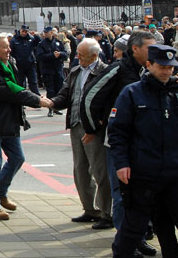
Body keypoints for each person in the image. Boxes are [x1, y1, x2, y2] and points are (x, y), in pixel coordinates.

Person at [109, 45, 178, 256]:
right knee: (132, 230)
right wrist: (121, 164)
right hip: (144, 175)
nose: (167, 71)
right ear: (149, 65)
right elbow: (118, 133)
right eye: (162, 66)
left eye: (171, 67)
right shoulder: (132, 93)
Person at [81, 30, 158, 257]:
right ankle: (126, 242)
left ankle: (139, 238)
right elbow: (90, 97)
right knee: (121, 193)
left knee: (142, 194)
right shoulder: (117, 69)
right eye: (149, 47)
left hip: (144, 144)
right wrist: (93, 128)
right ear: (135, 49)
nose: (154, 52)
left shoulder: (148, 71)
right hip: (119, 142)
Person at [0, 33, 52, 220]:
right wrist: (37, 100)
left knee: (17, 158)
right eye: (5, 47)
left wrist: (35, 98)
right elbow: (11, 90)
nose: (9, 50)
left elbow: (17, 87)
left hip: (9, 120)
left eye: (8, 46)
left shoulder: (8, 63)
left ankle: (1, 192)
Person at [49, 39, 112, 229]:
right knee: (80, 171)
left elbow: (108, 101)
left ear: (95, 55)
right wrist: (51, 102)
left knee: (100, 171)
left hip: (94, 128)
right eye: (77, 54)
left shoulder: (105, 72)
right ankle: (90, 209)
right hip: (76, 125)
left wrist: (101, 121)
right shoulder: (76, 71)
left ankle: (107, 213)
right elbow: (65, 95)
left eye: (81, 56)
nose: (78, 58)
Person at [37, 26, 66, 116]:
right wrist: (52, 55)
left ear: (52, 33)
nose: (46, 34)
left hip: (58, 69)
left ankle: (56, 107)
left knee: (58, 89)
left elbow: (65, 53)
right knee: (50, 90)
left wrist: (60, 54)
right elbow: (40, 56)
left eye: (47, 32)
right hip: (48, 70)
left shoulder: (58, 42)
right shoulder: (41, 44)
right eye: (45, 32)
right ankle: (50, 109)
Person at [9, 25, 41, 95]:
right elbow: (11, 51)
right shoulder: (14, 40)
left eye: (26, 31)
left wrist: (35, 35)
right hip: (19, 65)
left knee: (33, 83)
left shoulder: (31, 38)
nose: (24, 33)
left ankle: (37, 99)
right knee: (20, 83)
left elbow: (40, 42)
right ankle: (21, 100)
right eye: (23, 31)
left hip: (30, 64)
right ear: (20, 30)